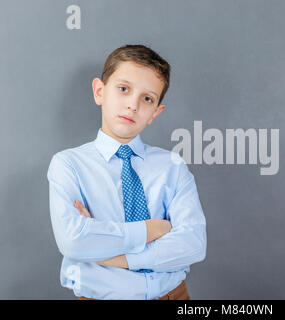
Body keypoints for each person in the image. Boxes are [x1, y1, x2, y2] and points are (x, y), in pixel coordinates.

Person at [47, 44, 207, 300]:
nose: (133, 105)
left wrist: (112, 254)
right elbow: (74, 241)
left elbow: (193, 244)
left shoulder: (172, 166)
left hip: (173, 296)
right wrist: (151, 230)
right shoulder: (68, 165)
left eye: (147, 99)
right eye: (124, 89)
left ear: (155, 112)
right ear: (100, 91)